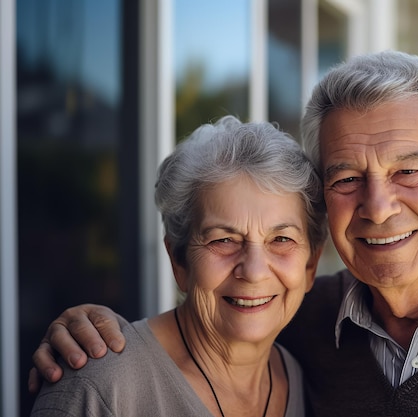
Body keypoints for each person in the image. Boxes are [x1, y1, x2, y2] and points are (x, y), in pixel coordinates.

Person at [31, 51, 418, 416]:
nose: (377, 205)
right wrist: (88, 333)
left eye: (408, 172)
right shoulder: (304, 322)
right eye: (346, 177)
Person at [30, 115, 327, 416]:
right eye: (223, 240)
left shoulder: (310, 380)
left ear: (311, 265)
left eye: (281, 239)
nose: (253, 271)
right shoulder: (101, 387)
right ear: (179, 261)